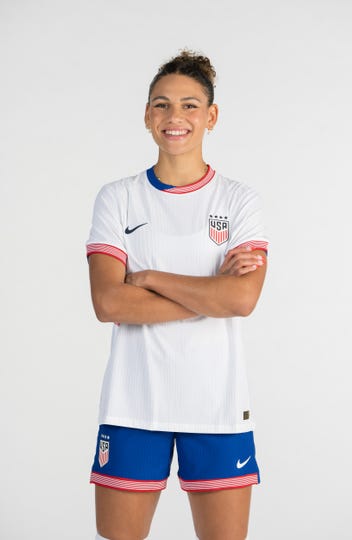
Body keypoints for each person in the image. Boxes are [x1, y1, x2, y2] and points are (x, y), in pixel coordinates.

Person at [86, 50, 268, 540]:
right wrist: (213, 291)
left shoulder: (238, 201)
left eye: (190, 105)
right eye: (162, 105)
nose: (175, 117)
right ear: (147, 116)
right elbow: (109, 304)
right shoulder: (117, 197)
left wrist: (148, 278)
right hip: (132, 403)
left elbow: (242, 300)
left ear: (211, 116)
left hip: (218, 404)